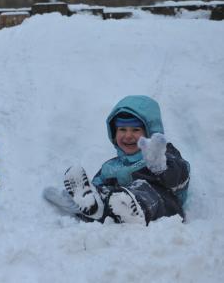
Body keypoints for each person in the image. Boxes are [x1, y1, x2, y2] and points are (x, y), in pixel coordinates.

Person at [44, 95, 190, 225]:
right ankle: (94, 208)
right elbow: (97, 185)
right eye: (122, 130)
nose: (128, 136)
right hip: (119, 210)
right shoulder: (111, 167)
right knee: (106, 195)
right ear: (114, 133)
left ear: (150, 132)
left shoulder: (163, 153)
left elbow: (179, 178)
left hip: (162, 208)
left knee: (142, 189)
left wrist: (160, 167)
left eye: (135, 130)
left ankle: (130, 208)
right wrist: (78, 202)